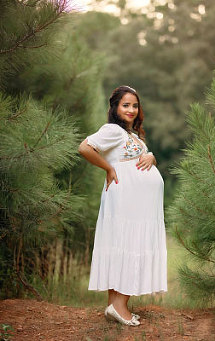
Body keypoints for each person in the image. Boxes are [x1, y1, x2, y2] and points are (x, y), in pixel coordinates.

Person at [78, 85, 167, 326]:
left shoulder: (132, 135)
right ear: (115, 107)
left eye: (135, 105)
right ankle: (119, 306)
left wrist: (152, 156)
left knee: (123, 244)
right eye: (125, 105)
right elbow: (85, 147)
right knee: (129, 243)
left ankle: (114, 307)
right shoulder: (112, 131)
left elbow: (140, 159)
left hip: (136, 203)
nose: (131, 109)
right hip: (128, 201)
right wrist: (107, 168)